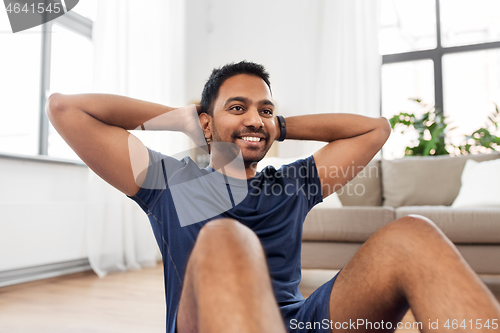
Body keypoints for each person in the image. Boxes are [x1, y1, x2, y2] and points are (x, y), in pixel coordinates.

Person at [46, 61, 500, 333]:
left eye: (265, 109)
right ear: (206, 123)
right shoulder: (167, 182)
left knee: (412, 237)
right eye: (237, 107)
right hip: (211, 324)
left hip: (298, 323)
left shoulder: (291, 184)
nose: (255, 119)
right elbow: (66, 108)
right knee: (228, 238)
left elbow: (374, 129)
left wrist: (275, 125)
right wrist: (186, 120)